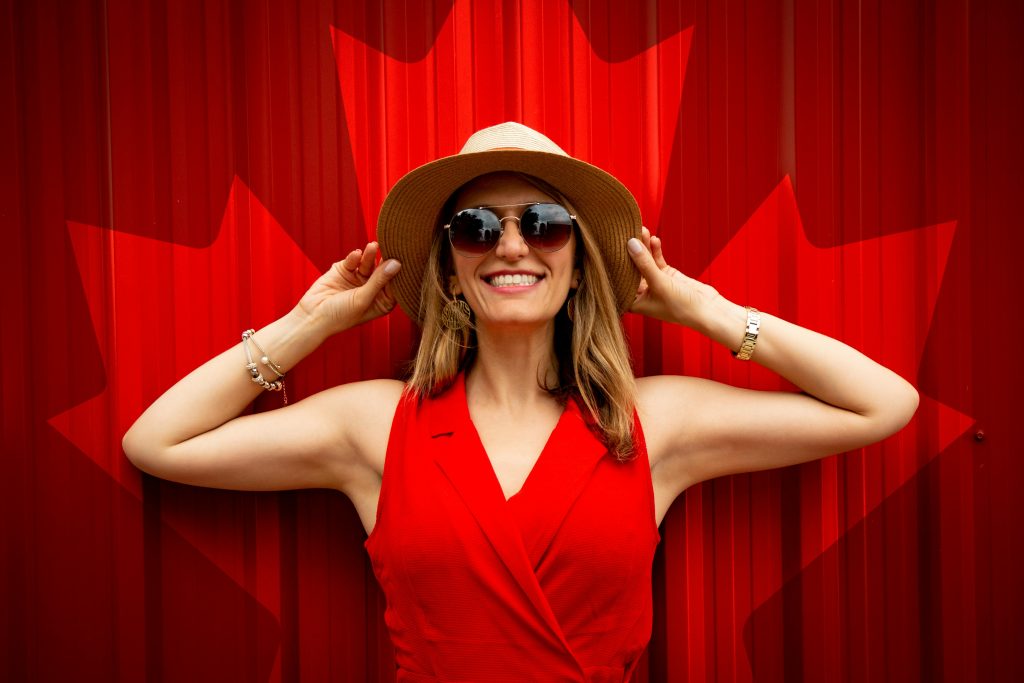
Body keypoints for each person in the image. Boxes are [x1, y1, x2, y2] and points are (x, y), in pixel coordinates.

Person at [122, 122, 919, 681]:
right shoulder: (375, 425)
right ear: (448, 267)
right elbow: (158, 443)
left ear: (578, 261)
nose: (511, 245)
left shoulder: (654, 424)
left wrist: (704, 310)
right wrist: (308, 324)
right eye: (475, 226)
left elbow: (881, 404)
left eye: (543, 223)